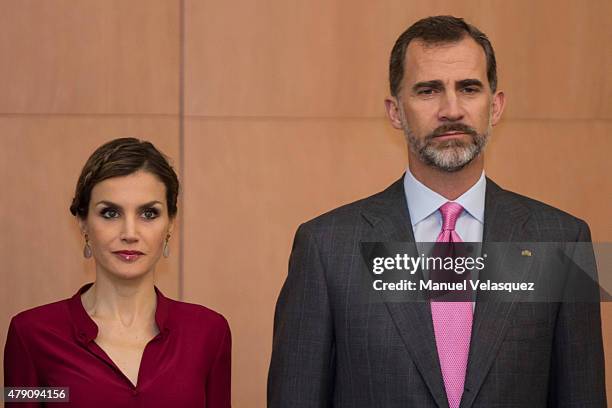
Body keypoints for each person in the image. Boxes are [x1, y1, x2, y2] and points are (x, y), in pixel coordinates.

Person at [268, 15, 606, 407]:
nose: (451, 109)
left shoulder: (563, 240)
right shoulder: (326, 248)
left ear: (495, 106)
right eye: (428, 91)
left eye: (468, 88)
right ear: (395, 112)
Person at [4, 138, 231, 407]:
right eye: (110, 213)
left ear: (171, 223)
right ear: (83, 223)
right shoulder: (31, 335)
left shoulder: (209, 333)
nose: (130, 233)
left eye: (149, 213)